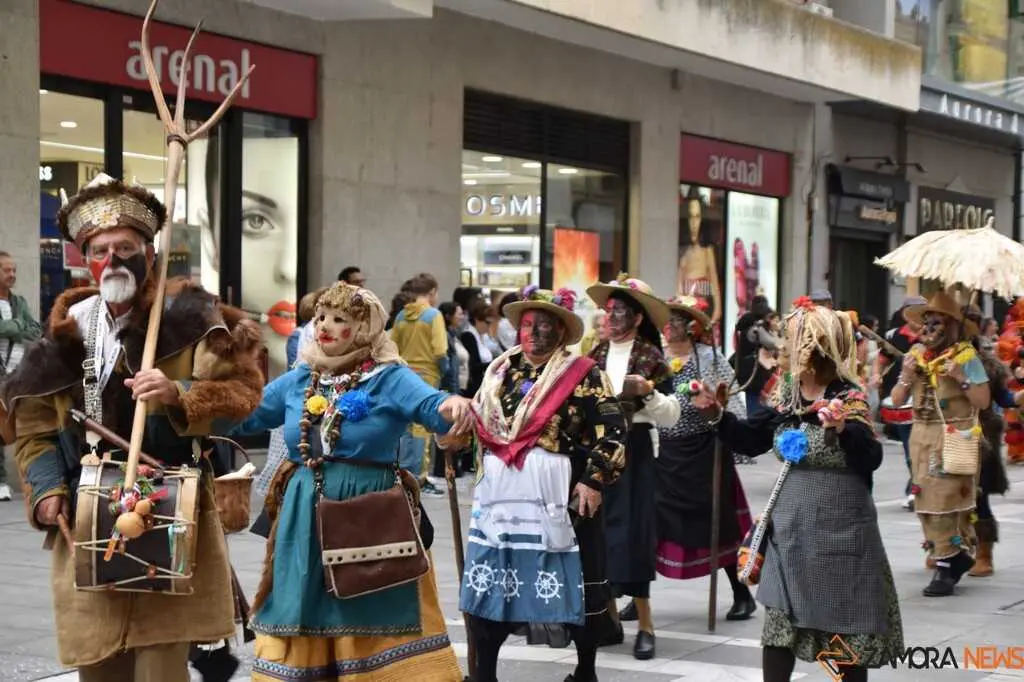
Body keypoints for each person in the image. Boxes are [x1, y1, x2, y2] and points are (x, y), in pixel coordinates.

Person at [0, 173, 265, 681]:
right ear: (83, 258)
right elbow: (33, 427)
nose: (113, 260)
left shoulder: (190, 316)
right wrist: (46, 490)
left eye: (126, 247)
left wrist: (181, 395)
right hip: (86, 511)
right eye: (100, 250)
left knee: (160, 666)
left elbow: (244, 395)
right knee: (99, 663)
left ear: (148, 252)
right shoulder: (66, 330)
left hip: (171, 508)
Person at [232, 282, 472, 682]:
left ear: (363, 329)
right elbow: (244, 411)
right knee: (301, 608)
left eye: (339, 319)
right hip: (304, 517)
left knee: (370, 611)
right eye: (321, 317)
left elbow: (430, 405)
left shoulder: (389, 377)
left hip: (370, 520)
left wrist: (453, 404)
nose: (325, 327)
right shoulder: (300, 379)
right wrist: (184, 398)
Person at [691, 298, 903, 682]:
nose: (784, 348)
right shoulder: (787, 394)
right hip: (790, 527)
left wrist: (841, 430)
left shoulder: (847, 397)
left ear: (818, 349)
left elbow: (870, 455)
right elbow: (751, 438)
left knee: (845, 622)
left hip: (842, 531)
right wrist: (715, 415)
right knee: (778, 623)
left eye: (793, 341)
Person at [459, 286, 626, 682]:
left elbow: (614, 431)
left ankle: (585, 671)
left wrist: (594, 480)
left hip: (561, 496)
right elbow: (481, 423)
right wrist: (456, 436)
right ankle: (486, 673)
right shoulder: (500, 370)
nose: (534, 332)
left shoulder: (584, 374)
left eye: (545, 325)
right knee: (494, 579)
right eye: (528, 324)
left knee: (578, 585)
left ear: (561, 332)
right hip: (501, 496)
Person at [586, 274, 680, 661]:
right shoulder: (593, 356)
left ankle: (645, 625)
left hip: (637, 450)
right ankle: (608, 620)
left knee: (636, 537)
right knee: (599, 534)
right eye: (608, 311)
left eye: (620, 311)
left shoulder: (652, 358)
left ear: (637, 318)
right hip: (598, 450)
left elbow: (672, 415)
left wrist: (649, 392)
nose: (611, 317)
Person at [645, 296, 755, 621]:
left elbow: (733, 405)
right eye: (666, 320)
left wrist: (712, 406)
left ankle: (741, 593)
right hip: (663, 452)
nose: (668, 327)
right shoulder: (655, 358)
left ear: (691, 327)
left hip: (704, 452)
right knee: (651, 524)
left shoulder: (709, 357)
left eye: (675, 321)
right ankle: (638, 596)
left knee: (716, 523)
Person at [889, 291, 991, 596]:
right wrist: (906, 375)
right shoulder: (916, 356)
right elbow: (896, 400)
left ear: (953, 326)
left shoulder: (966, 357)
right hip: (921, 436)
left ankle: (948, 565)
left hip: (954, 436)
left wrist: (961, 377)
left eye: (939, 322)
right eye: (927, 322)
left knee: (947, 503)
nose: (931, 329)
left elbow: (983, 401)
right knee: (924, 503)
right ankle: (949, 557)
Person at [391, 273, 449, 496]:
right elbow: (440, 350)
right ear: (432, 292)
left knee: (404, 426)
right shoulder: (433, 315)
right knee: (423, 429)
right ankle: (419, 478)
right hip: (427, 376)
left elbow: (392, 347)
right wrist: (446, 374)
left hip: (403, 375)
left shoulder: (401, 316)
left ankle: (403, 472)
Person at [964, 305, 1011, 578]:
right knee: (944, 497)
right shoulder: (937, 358)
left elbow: (1003, 399)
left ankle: (984, 554)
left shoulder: (988, 365)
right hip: (944, 434)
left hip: (980, 436)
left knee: (978, 496)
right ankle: (946, 549)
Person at [872, 295, 925, 511]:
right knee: (910, 449)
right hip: (901, 397)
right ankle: (915, 489)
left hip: (927, 400)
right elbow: (881, 359)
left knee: (924, 449)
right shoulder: (894, 336)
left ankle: (919, 489)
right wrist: (876, 375)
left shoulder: (934, 335)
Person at [0, 250, 41, 501]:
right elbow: (21, 328)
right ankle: (2, 482)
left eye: (14, 270)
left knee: (26, 428)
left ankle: (33, 481)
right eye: (7, 270)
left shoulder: (20, 303)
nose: (12, 274)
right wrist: (17, 327)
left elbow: (35, 330)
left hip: (19, 375)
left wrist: (13, 329)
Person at [461, 301, 497, 399]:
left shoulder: (481, 336)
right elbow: (474, 366)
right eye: (487, 323)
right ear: (477, 319)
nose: (489, 327)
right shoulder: (468, 336)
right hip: (473, 390)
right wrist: (495, 363)